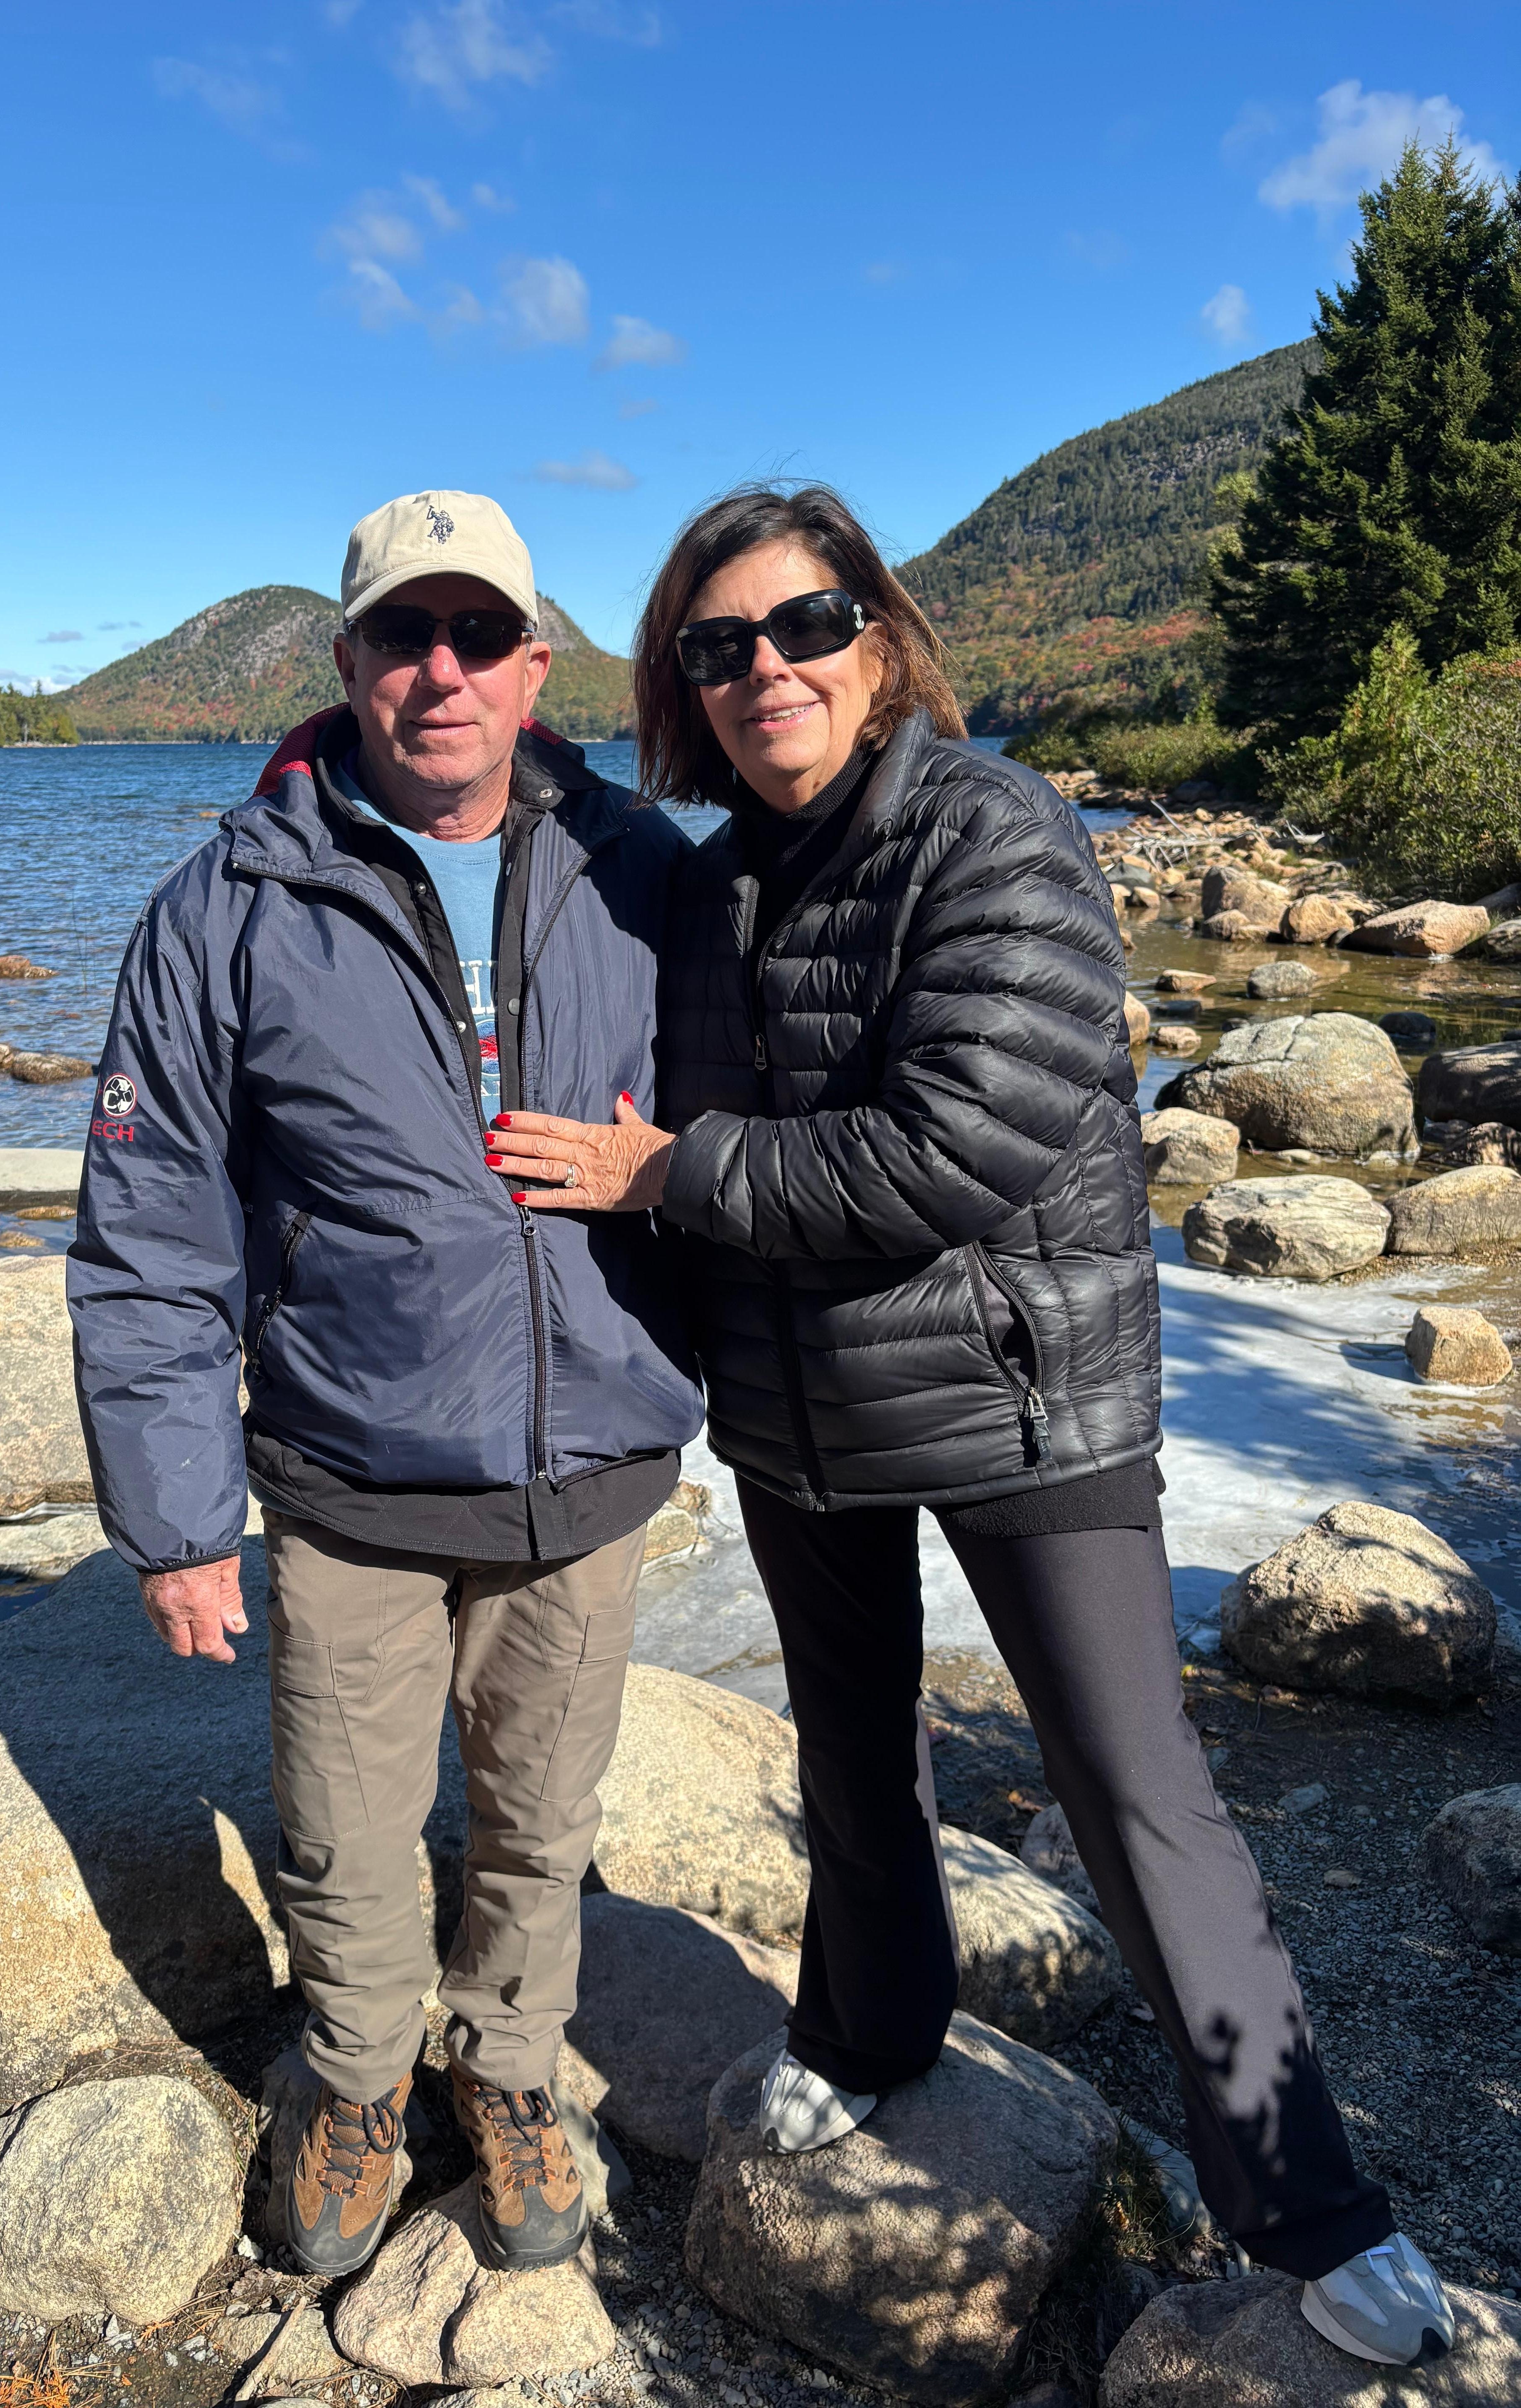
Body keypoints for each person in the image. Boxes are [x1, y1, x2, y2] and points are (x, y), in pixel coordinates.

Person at [483, 482, 1456, 2369]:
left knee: (1134, 1787)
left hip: (1024, 1388)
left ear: (880, 637)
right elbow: (561, 823)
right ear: (684, 686)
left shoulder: (996, 828)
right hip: (800, 1402)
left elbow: (960, 1144)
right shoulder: (710, 877)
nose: (767, 670)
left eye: (805, 628)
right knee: (850, 1751)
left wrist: (667, 1170)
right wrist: (404, 737)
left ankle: (1312, 2203)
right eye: (717, 647)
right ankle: (867, 2033)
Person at [68, 489, 700, 2282]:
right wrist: (179, 1520)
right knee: (344, 1829)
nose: (441, 671)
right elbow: (150, 1232)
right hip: (348, 1472)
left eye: (477, 636)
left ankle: (507, 2070)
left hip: (588, 1461)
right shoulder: (224, 907)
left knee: (540, 1818)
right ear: (342, 660)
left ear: (533, 663)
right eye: (402, 637)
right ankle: (351, 2080)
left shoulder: (643, 867)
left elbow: (784, 1082)